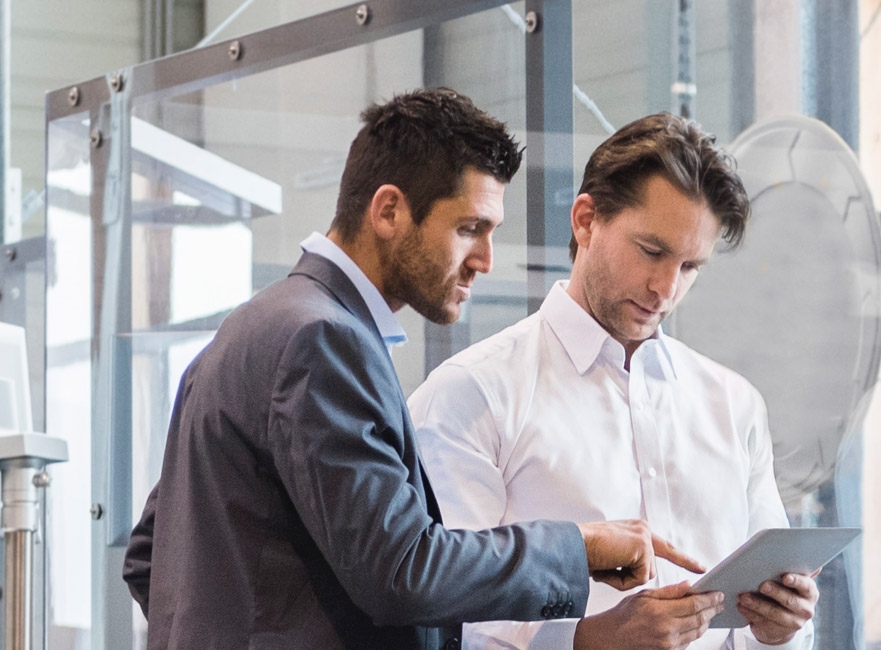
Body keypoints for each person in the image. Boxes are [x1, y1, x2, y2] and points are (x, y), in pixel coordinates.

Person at [122, 89, 711, 650]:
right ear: (388, 211)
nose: (483, 259)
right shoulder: (322, 340)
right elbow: (404, 570)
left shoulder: (255, 325)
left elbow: (152, 555)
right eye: (468, 229)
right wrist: (578, 546)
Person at [408, 112, 819, 650]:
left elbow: (772, 629)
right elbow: (445, 624)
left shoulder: (735, 405)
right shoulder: (471, 393)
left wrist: (781, 629)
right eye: (651, 251)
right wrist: (592, 640)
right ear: (585, 220)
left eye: (691, 266)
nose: (665, 288)